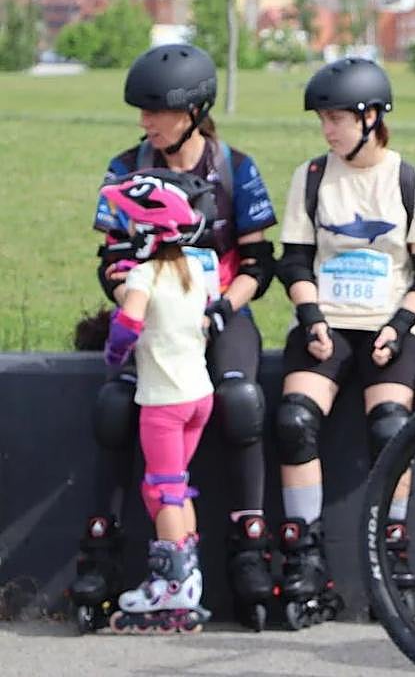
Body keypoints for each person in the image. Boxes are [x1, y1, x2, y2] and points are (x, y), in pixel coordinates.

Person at [73, 44, 278, 631]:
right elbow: (111, 260)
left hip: (218, 311)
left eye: (154, 110)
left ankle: (248, 550)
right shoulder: (125, 165)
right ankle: (101, 551)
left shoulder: (236, 167)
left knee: (241, 401)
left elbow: (259, 264)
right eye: (140, 111)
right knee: (117, 406)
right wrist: (137, 304)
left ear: (192, 110)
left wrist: (219, 309)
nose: (144, 122)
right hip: (158, 317)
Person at [273, 58, 415, 628]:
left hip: (390, 321)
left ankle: (389, 557)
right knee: (294, 420)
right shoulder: (313, 176)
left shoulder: (409, 180)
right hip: (329, 321)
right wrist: (310, 314)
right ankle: (305, 556)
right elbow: (294, 258)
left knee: (391, 426)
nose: (328, 130)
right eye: (324, 119)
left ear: (372, 118)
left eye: (338, 118)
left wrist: (398, 326)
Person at [98, 170, 216, 632]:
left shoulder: (145, 275)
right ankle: (189, 575)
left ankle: (172, 587)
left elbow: (128, 325)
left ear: (145, 230)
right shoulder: (191, 270)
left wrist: (113, 355)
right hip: (198, 395)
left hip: (164, 402)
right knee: (175, 486)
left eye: (130, 224)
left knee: (163, 488)